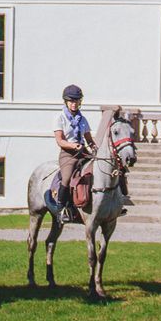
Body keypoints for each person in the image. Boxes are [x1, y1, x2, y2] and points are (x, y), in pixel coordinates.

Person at [54, 84, 94, 224]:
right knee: (66, 178)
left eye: (76, 101)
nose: (74, 104)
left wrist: (96, 149)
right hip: (68, 154)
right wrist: (73, 145)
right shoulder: (60, 118)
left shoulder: (83, 120)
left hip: (83, 152)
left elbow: (89, 140)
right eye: (71, 101)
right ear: (66, 102)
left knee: (101, 169)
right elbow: (60, 141)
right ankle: (60, 209)